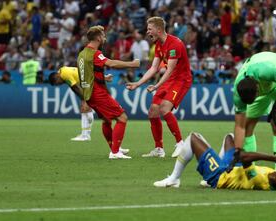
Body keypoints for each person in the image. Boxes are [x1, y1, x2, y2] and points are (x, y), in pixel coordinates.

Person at [126, 17, 192, 158]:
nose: (147, 32)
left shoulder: (175, 44)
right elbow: (154, 68)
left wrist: (156, 86)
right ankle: (159, 149)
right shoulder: (158, 45)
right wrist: (138, 83)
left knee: (164, 108)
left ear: (159, 29)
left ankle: (180, 144)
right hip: (169, 80)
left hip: (181, 80)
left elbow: (169, 70)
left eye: (150, 29)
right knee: (153, 112)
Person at [153, 132, 276, 190]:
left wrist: (274, 158)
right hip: (234, 168)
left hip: (220, 176)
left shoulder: (258, 180)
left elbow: (245, 157)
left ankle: (174, 178)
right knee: (230, 137)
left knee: (193, 138)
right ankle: (208, 176)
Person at [77, 25, 140, 159]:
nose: (105, 38)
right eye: (103, 36)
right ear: (99, 38)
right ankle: (115, 152)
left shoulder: (82, 54)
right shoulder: (95, 53)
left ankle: (115, 147)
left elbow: (85, 73)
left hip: (88, 93)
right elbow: (111, 63)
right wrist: (132, 64)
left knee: (107, 120)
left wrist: (103, 77)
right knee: (122, 118)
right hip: (97, 92)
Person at [233, 51, 276, 168]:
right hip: (264, 82)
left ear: (257, 89)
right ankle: (251, 170)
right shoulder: (238, 93)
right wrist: (238, 150)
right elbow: (239, 126)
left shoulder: (266, 71)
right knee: (247, 125)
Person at [49, 66, 110, 142]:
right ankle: (85, 134)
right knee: (84, 109)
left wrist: (84, 100)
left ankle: (85, 135)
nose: (59, 85)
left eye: (57, 83)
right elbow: (73, 86)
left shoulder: (64, 74)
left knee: (86, 109)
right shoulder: (62, 71)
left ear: (57, 77)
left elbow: (76, 87)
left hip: (89, 85)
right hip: (88, 84)